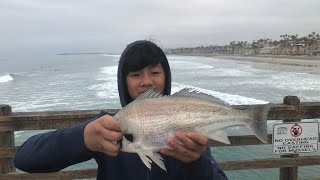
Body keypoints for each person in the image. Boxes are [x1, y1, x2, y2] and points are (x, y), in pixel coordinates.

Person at [14, 40, 228, 180]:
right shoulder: (107, 128)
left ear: (166, 77)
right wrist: (82, 138)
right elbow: (24, 158)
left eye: (154, 72)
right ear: (122, 82)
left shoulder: (186, 127)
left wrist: (196, 162)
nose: (146, 82)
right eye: (135, 75)